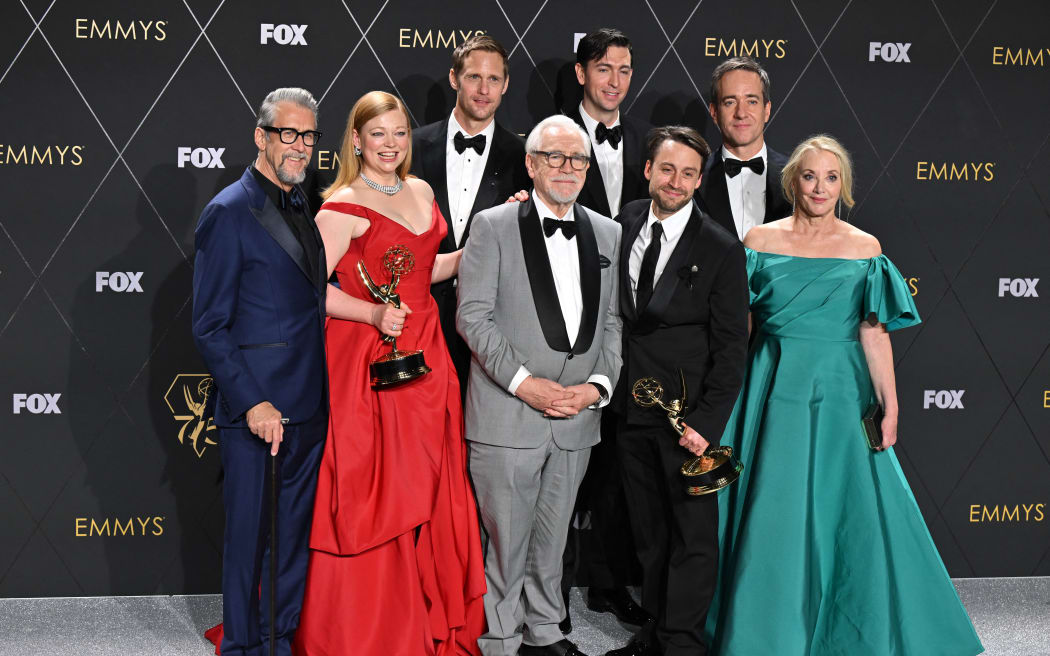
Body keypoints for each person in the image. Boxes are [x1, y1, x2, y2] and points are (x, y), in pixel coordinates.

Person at [705, 135, 984, 656]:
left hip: (840, 393)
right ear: (793, 182)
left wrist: (891, 406)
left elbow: (874, 333)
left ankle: (846, 632)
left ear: (844, 186)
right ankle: (765, 633)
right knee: (773, 506)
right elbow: (736, 332)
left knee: (847, 512)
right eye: (809, 176)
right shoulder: (759, 241)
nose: (819, 187)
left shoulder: (865, 249)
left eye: (831, 178)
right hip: (770, 388)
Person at [294, 91, 486, 655]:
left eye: (400, 133)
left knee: (427, 479)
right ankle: (368, 628)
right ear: (355, 140)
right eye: (378, 134)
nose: (391, 145)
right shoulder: (340, 207)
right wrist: (375, 313)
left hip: (427, 353)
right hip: (364, 359)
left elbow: (427, 270)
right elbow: (311, 293)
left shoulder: (422, 191)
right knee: (378, 485)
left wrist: (495, 235)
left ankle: (422, 612)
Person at [457, 114, 622, 656]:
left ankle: (546, 633)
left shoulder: (608, 231)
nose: (567, 168)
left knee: (553, 543)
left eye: (577, 159)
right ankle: (500, 639)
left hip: (578, 417)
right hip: (509, 413)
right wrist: (526, 384)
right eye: (554, 157)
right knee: (505, 543)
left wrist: (597, 387)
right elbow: (473, 318)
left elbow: (615, 323)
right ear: (530, 164)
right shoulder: (492, 225)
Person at [193, 87, 328, 656]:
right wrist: (252, 403)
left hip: (309, 407)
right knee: (248, 543)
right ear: (261, 136)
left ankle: (277, 643)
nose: (299, 147)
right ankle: (241, 649)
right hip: (259, 413)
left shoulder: (303, 204)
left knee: (291, 544)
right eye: (288, 134)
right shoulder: (228, 211)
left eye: (308, 136)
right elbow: (209, 325)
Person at [606, 127, 749, 656]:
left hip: (686, 419)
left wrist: (707, 424)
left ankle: (683, 644)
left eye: (689, 173)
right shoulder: (624, 222)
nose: (677, 182)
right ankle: (656, 633)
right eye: (668, 169)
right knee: (650, 535)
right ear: (647, 170)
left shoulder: (721, 247)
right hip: (629, 409)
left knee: (691, 538)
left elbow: (734, 346)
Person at [563, 27, 652, 631]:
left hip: (632, 329)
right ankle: (551, 597)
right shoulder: (549, 144)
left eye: (623, 69)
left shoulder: (651, 147)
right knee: (561, 464)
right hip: (564, 327)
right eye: (604, 69)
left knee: (617, 467)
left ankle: (605, 583)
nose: (614, 80)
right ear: (581, 74)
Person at [411, 34, 530, 397]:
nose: (483, 89)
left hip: (491, 325)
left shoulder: (525, 158)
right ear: (453, 79)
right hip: (418, 316)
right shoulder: (410, 147)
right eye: (473, 77)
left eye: (494, 79)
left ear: (506, 85)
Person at [698, 57, 792, 239]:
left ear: (767, 110)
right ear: (714, 112)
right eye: (730, 102)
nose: (741, 113)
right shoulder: (694, 178)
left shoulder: (795, 177)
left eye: (752, 101)